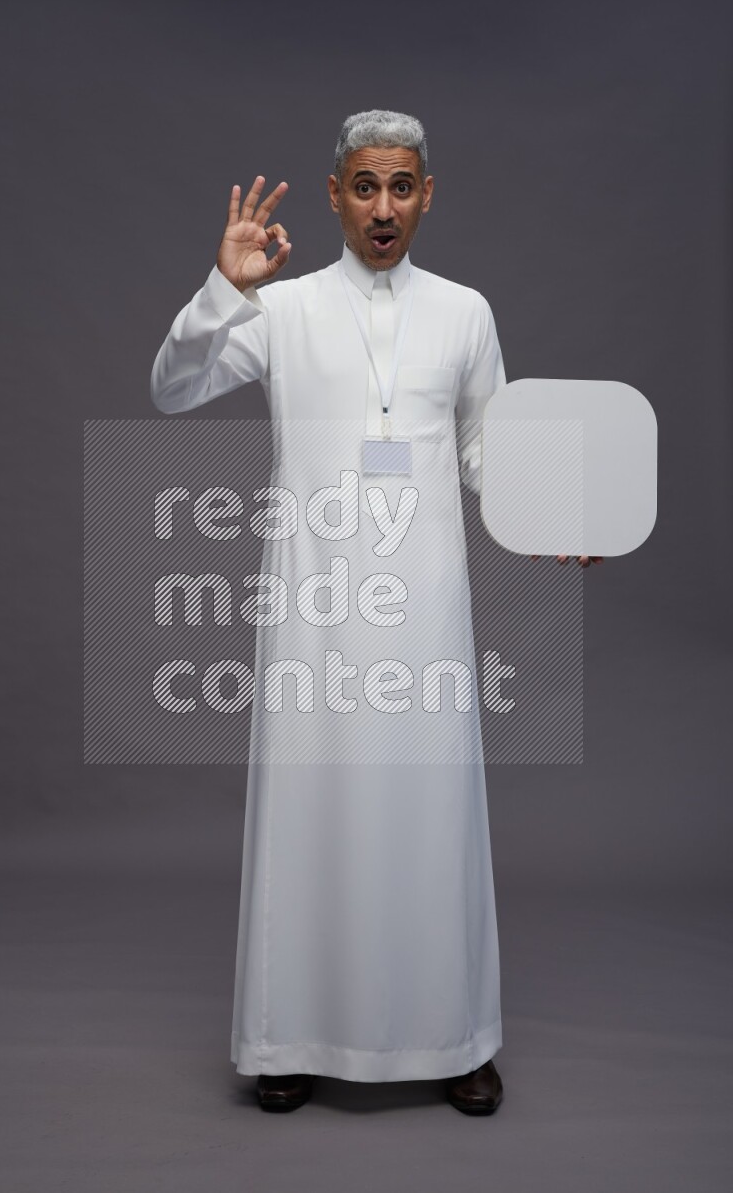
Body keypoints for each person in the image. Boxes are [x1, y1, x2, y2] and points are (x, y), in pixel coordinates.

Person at [150, 109, 600, 1116]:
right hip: (313, 604)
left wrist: (555, 511)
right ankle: (288, 1037)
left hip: (425, 608)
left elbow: (483, 451)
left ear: (426, 195)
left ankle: (456, 1038)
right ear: (334, 195)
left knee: (432, 816)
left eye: (401, 186)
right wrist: (224, 287)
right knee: (308, 813)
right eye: (364, 186)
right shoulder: (281, 308)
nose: (383, 207)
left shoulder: (465, 313)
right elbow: (171, 390)